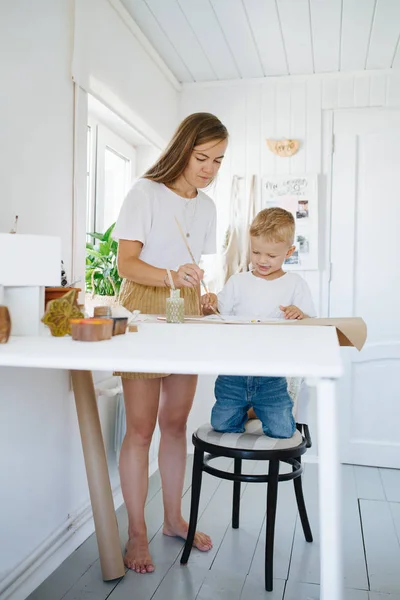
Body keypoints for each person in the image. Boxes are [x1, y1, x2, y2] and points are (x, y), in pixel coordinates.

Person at [112, 113, 228, 574]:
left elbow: (192, 263)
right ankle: (136, 532)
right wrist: (169, 276)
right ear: (182, 148)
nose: (209, 168)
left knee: (175, 422)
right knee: (140, 429)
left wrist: (204, 292)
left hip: (186, 305)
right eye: (202, 157)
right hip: (143, 304)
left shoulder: (208, 206)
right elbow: (125, 264)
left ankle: (173, 518)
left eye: (218, 160)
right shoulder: (144, 192)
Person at [201, 207, 316, 438]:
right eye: (256, 253)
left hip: (272, 375)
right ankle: (248, 410)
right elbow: (216, 311)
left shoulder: (295, 284)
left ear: (289, 252)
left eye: (271, 256)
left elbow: (310, 323)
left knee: (283, 430)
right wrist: (209, 302)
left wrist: (299, 313)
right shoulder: (238, 282)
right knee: (221, 423)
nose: (262, 261)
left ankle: (256, 408)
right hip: (233, 371)